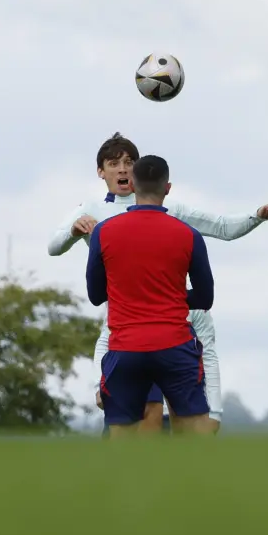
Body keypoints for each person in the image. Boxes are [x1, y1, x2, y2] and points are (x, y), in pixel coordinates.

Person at [48, 133, 268, 434]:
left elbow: (221, 226)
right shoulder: (91, 213)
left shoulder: (174, 212)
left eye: (129, 162)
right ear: (101, 171)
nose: (123, 169)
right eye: (114, 163)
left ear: (139, 173)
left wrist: (258, 215)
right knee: (141, 417)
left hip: (171, 328)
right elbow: (53, 246)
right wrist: (74, 231)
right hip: (124, 326)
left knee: (175, 424)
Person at [87, 155, 217, 436]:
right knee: (195, 433)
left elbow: (96, 295)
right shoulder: (189, 235)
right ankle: (200, 481)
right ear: (167, 188)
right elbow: (205, 298)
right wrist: (169, 298)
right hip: (175, 345)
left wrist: (131, 294)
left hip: (125, 348)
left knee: (122, 439)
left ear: (132, 184)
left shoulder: (103, 232)